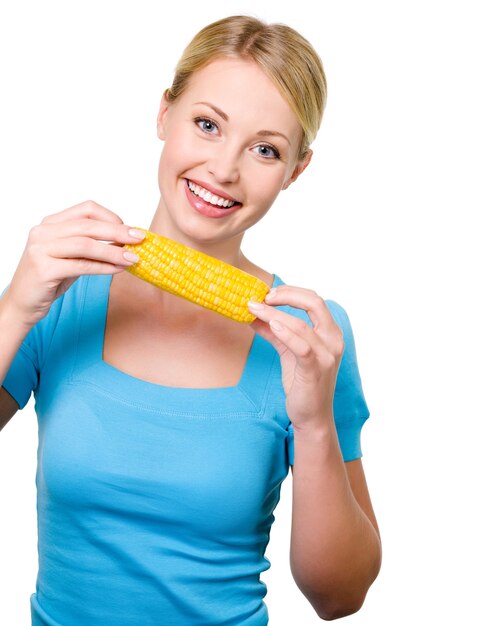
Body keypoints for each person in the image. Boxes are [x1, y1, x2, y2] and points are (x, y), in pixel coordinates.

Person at [0, 14, 381, 625]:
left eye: (265, 149)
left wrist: (313, 423)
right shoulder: (62, 290)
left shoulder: (308, 339)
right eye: (207, 125)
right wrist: (17, 304)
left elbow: (339, 598)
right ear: (163, 115)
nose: (224, 170)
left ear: (296, 171)